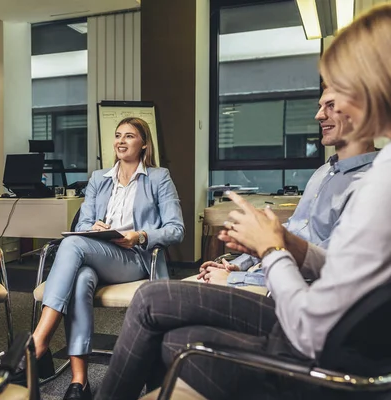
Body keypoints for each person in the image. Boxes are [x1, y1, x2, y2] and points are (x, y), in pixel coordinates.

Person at [97, 4, 391, 399]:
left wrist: (268, 251)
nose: (321, 109)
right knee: (171, 339)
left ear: (373, 86)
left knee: (153, 302)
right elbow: (339, 266)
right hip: (322, 331)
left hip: (318, 356)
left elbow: (311, 326)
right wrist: (279, 242)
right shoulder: (338, 174)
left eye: (339, 92)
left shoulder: (379, 181)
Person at [32, 117, 184, 399]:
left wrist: (138, 236)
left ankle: (39, 342)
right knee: (81, 278)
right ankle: (80, 383)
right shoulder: (98, 179)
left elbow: (176, 230)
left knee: (74, 246)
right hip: (100, 253)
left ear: (144, 145)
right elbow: (81, 226)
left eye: (129, 136)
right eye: (118, 135)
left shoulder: (159, 177)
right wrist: (93, 229)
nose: (121, 141)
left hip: (136, 257)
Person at [198, 86, 377, 287]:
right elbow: (293, 230)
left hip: (298, 293)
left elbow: (328, 267)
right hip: (264, 275)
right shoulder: (323, 172)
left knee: (164, 298)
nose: (318, 116)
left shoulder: (373, 183)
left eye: (331, 106)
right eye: (320, 107)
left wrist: (237, 279)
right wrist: (237, 264)